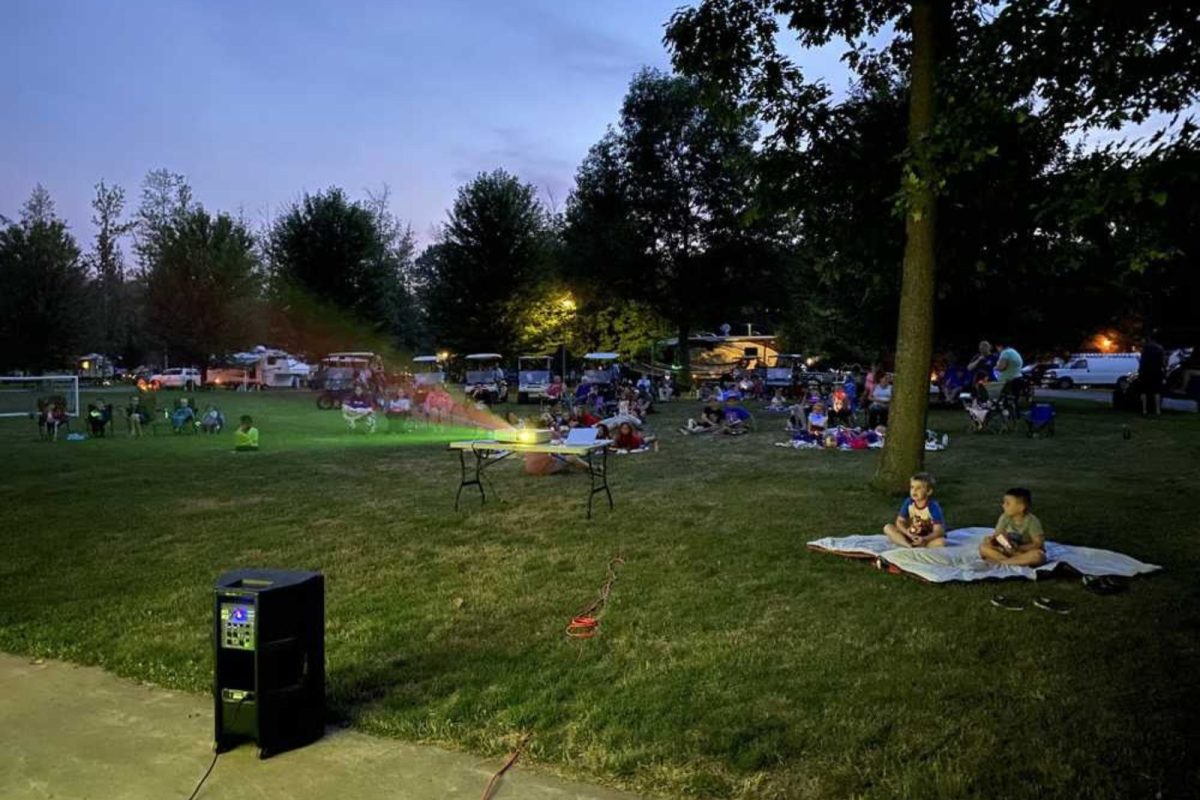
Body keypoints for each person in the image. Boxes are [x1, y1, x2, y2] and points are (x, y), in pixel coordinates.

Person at [979, 487, 1046, 566]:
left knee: (1038, 556)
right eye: (1004, 502)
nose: (1003, 505)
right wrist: (996, 541)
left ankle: (1003, 561)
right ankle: (1009, 561)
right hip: (1006, 549)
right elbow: (998, 535)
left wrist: (1018, 548)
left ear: (1021, 507)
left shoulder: (1032, 521)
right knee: (983, 547)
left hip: (1023, 552)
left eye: (1008, 503)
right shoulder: (1004, 517)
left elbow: (1038, 543)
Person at [884, 473, 947, 548]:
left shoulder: (933, 506)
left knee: (942, 542)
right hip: (910, 535)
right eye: (912, 487)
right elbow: (900, 521)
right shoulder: (909, 502)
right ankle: (908, 545)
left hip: (927, 538)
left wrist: (925, 539)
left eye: (919, 488)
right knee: (888, 528)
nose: (914, 490)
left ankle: (922, 545)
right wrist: (907, 532)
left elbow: (939, 530)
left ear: (928, 491)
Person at [1138, 332, 1166, 416]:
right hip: (1157, 371)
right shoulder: (1160, 348)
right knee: (1156, 392)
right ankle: (1157, 410)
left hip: (1146, 371)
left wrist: (1140, 371)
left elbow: (1142, 361)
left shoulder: (1145, 348)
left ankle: (1144, 410)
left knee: (1144, 391)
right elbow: (1163, 362)